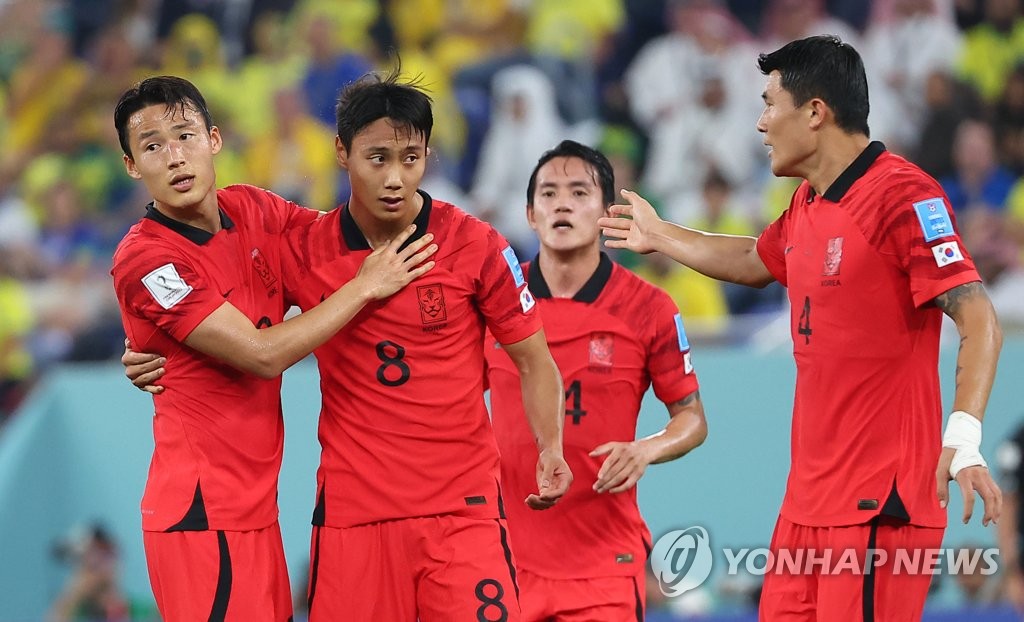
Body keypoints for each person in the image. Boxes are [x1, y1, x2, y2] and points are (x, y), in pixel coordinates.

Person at [126, 68, 573, 621]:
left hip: (461, 512)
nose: (393, 177)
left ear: (428, 155)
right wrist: (148, 339)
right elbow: (242, 329)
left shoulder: (474, 244)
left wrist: (550, 445)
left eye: (409, 158)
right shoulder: (302, 247)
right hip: (345, 518)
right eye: (376, 158)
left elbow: (534, 357)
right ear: (342, 153)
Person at [599, 35, 1003, 621]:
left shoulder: (903, 196)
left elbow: (979, 317)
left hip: (877, 507)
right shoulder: (809, 204)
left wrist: (963, 440)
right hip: (805, 509)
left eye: (768, 104)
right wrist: (661, 235)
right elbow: (754, 260)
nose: (760, 123)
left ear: (815, 112)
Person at [110, 75, 436, 621]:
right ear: (132, 166)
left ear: (214, 140)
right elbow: (261, 354)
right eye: (152, 146)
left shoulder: (255, 210)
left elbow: (340, 243)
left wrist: (388, 177)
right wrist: (364, 286)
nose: (174, 157)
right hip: (200, 514)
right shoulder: (148, 261)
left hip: (256, 512)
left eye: (185, 136)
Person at [484, 139, 707, 620]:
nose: (562, 203)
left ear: (608, 211)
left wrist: (644, 449)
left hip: (605, 567)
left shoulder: (649, 308)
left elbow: (691, 419)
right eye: (548, 193)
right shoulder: (494, 305)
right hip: (502, 567)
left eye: (579, 192)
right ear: (529, 214)